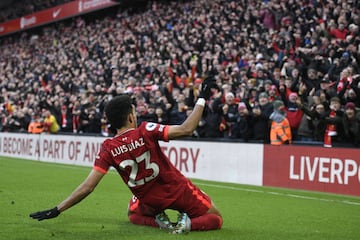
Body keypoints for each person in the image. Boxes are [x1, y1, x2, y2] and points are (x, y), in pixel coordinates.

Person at [29, 77, 223, 234]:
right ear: (131, 117)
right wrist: (202, 98)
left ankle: (159, 223)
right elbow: (186, 129)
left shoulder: (108, 147)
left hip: (149, 200)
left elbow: (88, 187)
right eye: (134, 110)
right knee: (215, 218)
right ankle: (186, 225)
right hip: (177, 191)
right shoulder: (146, 130)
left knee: (132, 213)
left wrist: (57, 209)